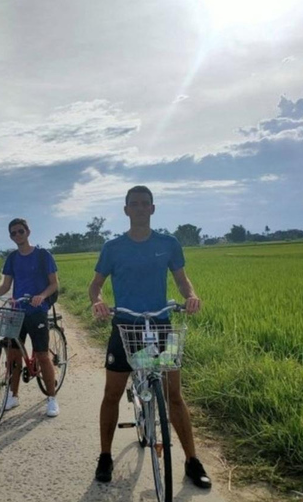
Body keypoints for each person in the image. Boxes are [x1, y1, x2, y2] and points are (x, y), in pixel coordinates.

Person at [88, 186, 211, 489]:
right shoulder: (113, 247)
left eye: (145, 204)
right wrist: (98, 302)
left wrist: (192, 296)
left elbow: (182, 282)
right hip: (125, 327)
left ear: (153, 209)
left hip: (161, 326)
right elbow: (95, 286)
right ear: (126, 210)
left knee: (173, 395)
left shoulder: (167, 243)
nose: (140, 209)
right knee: (112, 394)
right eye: (134, 204)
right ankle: (105, 455)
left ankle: (192, 460)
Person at [0, 218, 61, 418]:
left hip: (37, 310)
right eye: (13, 233)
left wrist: (42, 296)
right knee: (13, 355)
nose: (17, 235)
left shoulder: (42, 255)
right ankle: (13, 394)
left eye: (20, 231)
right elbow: (5, 286)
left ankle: (52, 398)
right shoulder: (12, 258)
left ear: (28, 231)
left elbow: (54, 283)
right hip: (17, 311)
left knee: (43, 356)